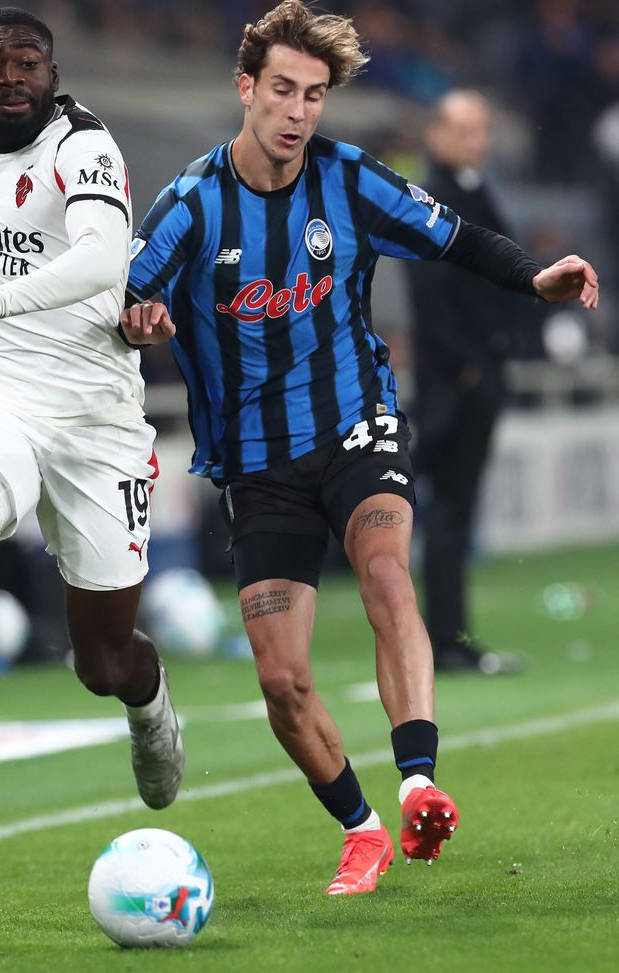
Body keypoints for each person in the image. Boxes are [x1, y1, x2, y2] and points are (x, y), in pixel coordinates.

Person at [120, 0, 598, 895]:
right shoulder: (189, 202)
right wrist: (140, 319)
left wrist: (533, 278)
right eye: (282, 90)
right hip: (256, 464)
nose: (298, 111)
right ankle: (361, 826)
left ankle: (418, 780)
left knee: (386, 573)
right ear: (244, 88)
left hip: (356, 424)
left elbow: (453, 236)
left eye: (313, 94)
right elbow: (126, 300)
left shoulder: (347, 178)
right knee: (281, 683)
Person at [0, 6, 183, 870]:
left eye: (28, 63)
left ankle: (147, 696)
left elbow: (99, 260)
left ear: (52, 77)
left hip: (93, 418)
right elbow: (4, 259)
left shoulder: (83, 148)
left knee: (100, 657)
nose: (11, 77)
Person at [405, 90, 533, 674]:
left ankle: (449, 637)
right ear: (435, 133)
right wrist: (471, 367)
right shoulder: (432, 198)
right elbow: (433, 297)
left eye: (481, 128)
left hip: (470, 376)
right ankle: (445, 641)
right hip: (451, 384)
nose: (475, 140)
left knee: (451, 513)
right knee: (445, 513)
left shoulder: (474, 189)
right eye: (464, 129)